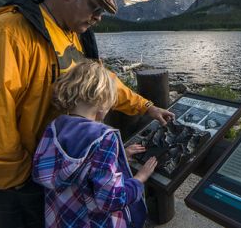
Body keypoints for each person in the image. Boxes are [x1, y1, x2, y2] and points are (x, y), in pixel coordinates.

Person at [0, 0, 174, 228]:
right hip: (18, 182)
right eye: (95, 7)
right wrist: (19, 180)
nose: (98, 18)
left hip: (48, 169)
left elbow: (101, 83)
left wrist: (146, 106)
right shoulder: (5, 33)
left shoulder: (73, 35)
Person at [32, 60, 155, 228]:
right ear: (103, 100)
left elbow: (75, 166)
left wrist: (120, 156)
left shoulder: (54, 127)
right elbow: (111, 200)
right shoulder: (104, 138)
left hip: (61, 219)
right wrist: (139, 179)